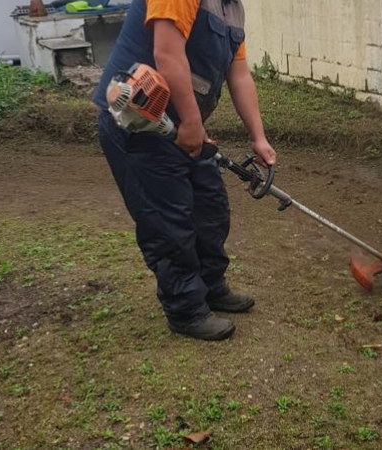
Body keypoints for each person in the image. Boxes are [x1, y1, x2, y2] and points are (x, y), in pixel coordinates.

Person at [93, 0, 276, 341]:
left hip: (181, 122)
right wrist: (193, 122)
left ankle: (210, 287)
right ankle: (186, 308)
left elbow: (239, 75)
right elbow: (167, 52)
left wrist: (258, 138)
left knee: (210, 206)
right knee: (168, 219)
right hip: (137, 119)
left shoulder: (232, 9)